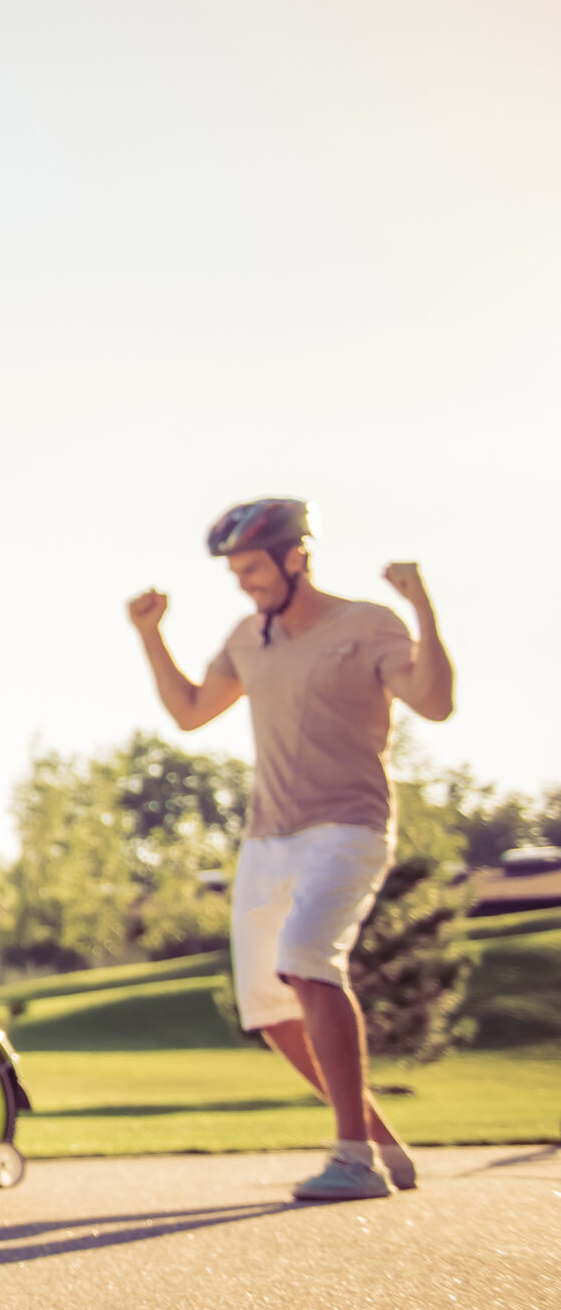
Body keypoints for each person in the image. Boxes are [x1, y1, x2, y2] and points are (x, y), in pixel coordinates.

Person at [127, 498, 456, 1202]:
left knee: (308, 960)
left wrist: (422, 603)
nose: (245, 582)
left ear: (295, 557)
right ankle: (378, 1141)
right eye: (236, 572)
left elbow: (434, 701)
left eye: (253, 568)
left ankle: (353, 1157)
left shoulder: (367, 623)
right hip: (267, 837)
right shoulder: (249, 636)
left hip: (348, 825)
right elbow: (189, 712)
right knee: (268, 1008)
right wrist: (151, 635)